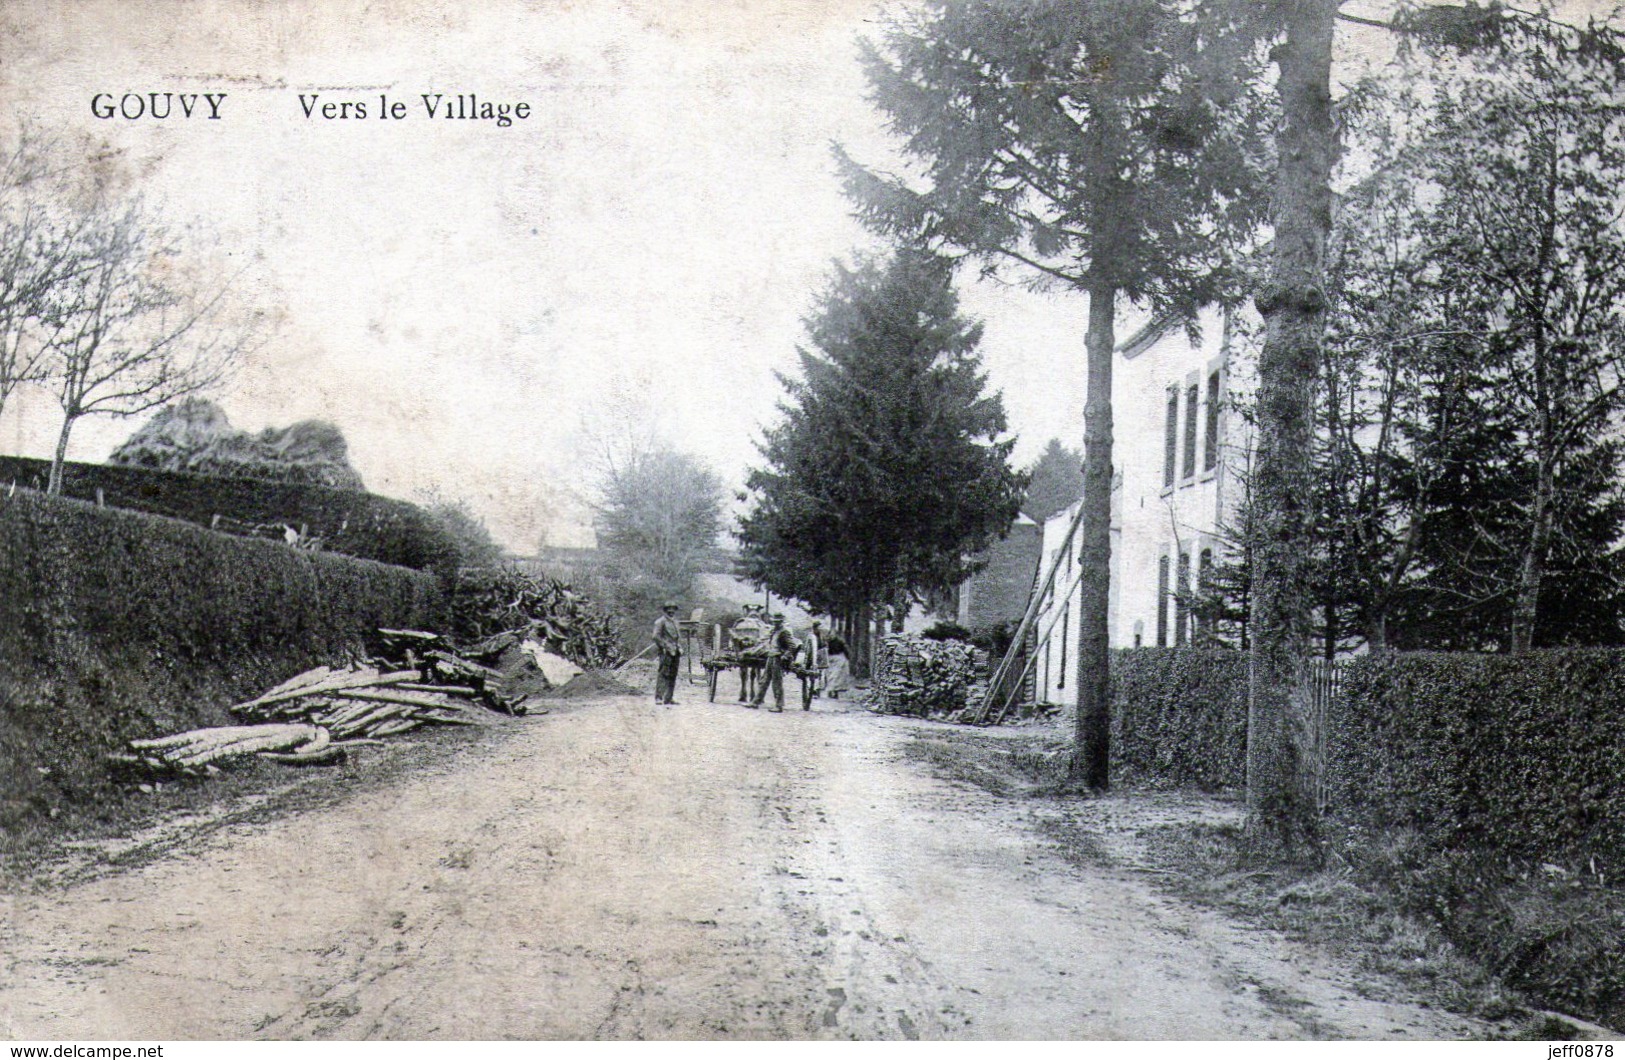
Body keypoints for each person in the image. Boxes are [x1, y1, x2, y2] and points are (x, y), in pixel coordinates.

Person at [751, 612, 799, 712]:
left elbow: (792, 646)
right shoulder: (774, 631)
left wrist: (785, 656)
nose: (776, 624)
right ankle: (756, 702)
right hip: (771, 657)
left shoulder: (784, 632)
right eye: (775, 622)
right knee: (764, 680)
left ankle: (779, 705)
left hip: (777, 658)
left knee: (777, 682)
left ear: (781, 622)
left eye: (778, 622)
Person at [730, 604, 767, 702]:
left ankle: (744, 692)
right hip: (757, 649)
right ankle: (753, 693)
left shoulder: (739, 623)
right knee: (756, 670)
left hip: (743, 650)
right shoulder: (762, 625)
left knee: (743, 669)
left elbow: (734, 640)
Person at [651, 602, 683, 705]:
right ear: (665, 611)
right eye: (669, 610)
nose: (671, 612)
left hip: (676, 651)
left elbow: (677, 637)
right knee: (663, 673)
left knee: (673, 674)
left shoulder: (676, 622)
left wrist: (679, 647)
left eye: (673, 610)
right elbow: (655, 636)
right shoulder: (660, 622)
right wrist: (665, 646)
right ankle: (659, 697)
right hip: (666, 651)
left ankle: (668, 698)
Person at [823, 630, 851, 699]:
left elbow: (845, 649)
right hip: (830, 659)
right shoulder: (827, 641)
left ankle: (835, 690)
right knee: (830, 674)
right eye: (830, 635)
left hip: (838, 658)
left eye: (833, 634)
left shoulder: (840, 641)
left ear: (836, 635)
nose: (831, 636)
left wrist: (847, 657)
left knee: (837, 674)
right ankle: (831, 690)